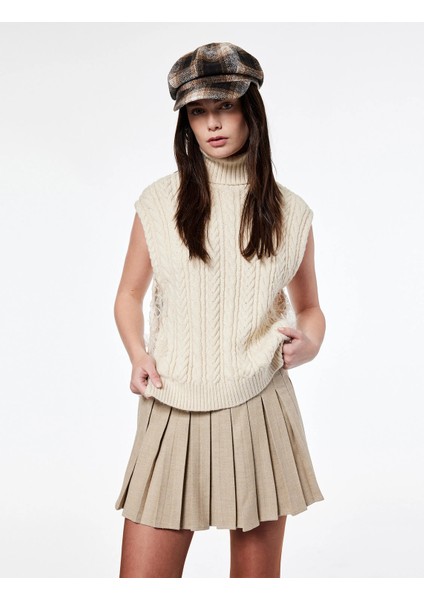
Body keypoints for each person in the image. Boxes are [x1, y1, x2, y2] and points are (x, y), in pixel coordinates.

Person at [113, 41, 326, 578]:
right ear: (185, 122)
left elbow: (310, 307)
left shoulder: (291, 212)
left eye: (225, 107)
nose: (212, 123)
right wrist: (138, 354)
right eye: (198, 112)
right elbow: (128, 295)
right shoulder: (158, 202)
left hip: (259, 406)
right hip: (171, 404)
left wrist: (311, 342)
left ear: (251, 110)